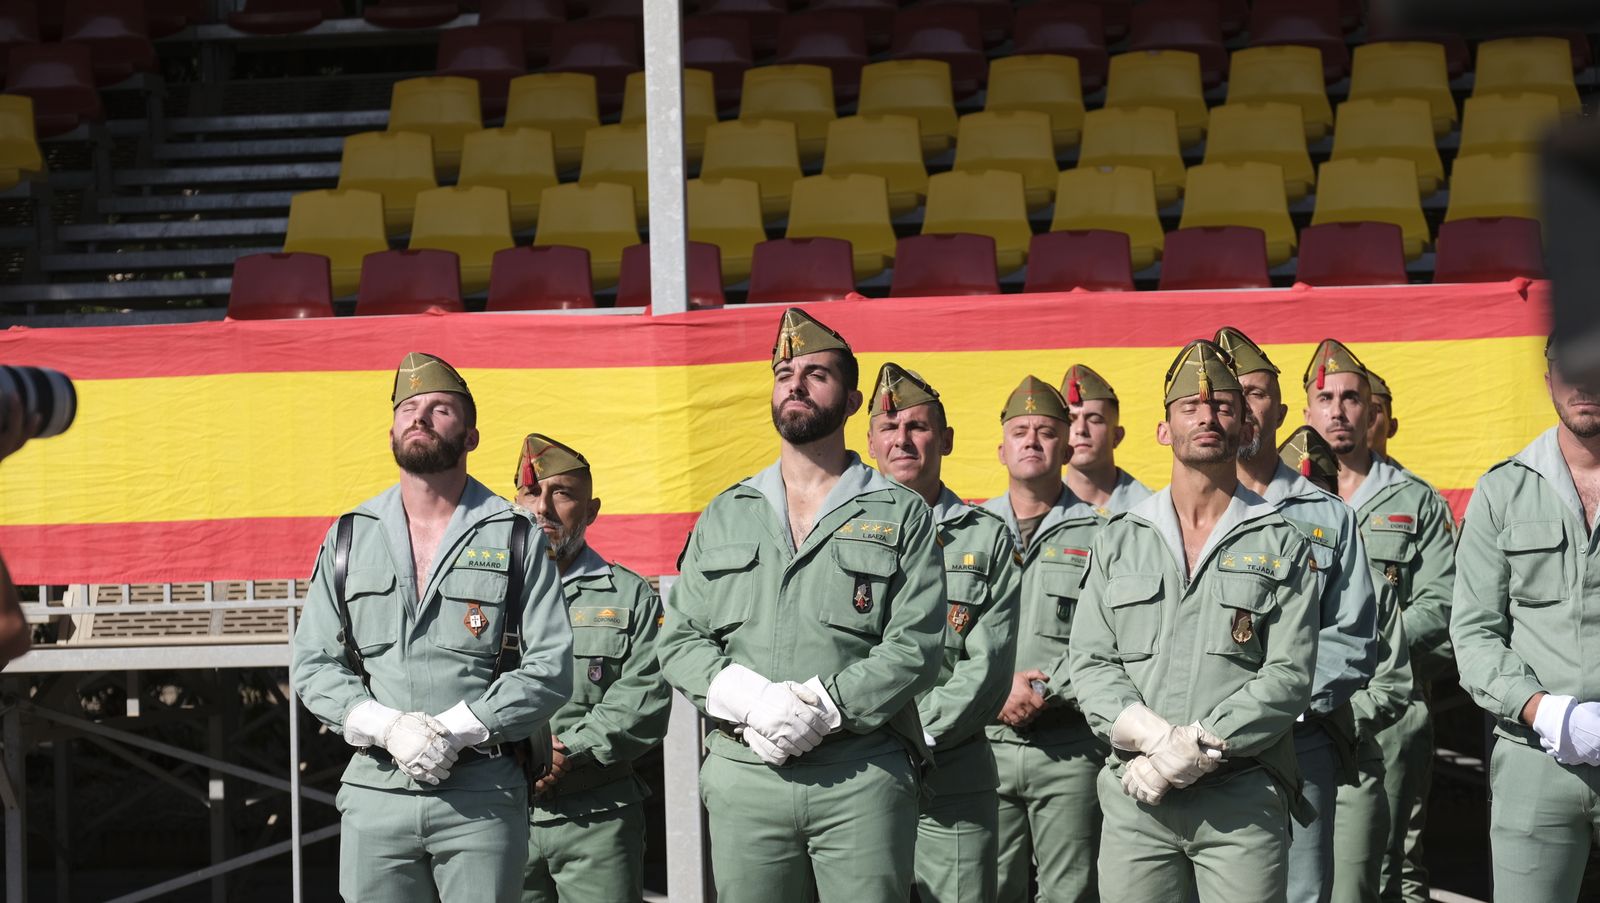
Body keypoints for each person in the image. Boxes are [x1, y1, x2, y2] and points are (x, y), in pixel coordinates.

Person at [656, 308, 946, 903]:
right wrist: (754, 701)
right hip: (745, 775)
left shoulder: (900, 512)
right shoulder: (726, 512)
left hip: (860, 775)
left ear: (851, 399)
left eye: (816, 373)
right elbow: (680, 640)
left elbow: (915, 646)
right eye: (784, 371)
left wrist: (824, 705)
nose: (795, 383)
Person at [291, 352, 574, 903]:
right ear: (392, 429)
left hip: (481, 795)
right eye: (409, 408)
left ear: (470, 435)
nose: (420, 417)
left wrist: (454, 730)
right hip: (377, 790)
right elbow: (313, 663)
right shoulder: (350, 535)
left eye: (440, 409)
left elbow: (549, 668)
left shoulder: (515, 534)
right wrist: (386, 726)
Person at [1069, 339, 1320, 903]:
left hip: (1242, 798)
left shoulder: (1281, 542)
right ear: (1164, 429)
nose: (1207, 417)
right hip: (1136, 796)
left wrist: (1201, 744)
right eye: (1190, 407)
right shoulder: (1120, 537)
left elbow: (1288, 676)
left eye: (1224, 407)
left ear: (1244, 426)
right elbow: (1089, 662)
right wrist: (1159, 745)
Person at [1214, 327, 1380, 903]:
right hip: (1196, 744)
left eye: (1256, 393)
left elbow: (1353, 637)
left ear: (1282, 409)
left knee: (1303, 893)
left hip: (1298, 738)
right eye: (1224, 394)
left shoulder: (1329, 517)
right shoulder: (1181, 515)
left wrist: (1271, 706)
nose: (1240, 407)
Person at [1302, 339, 1456, 903]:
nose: (1337, 410)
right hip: (1297, 707)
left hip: (1390, 708)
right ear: (1307, 413)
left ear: (1372, 412)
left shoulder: (1416, 502)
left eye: (1350, 398)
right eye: (1325, 398)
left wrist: (1362, 654)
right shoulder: (1278, 503)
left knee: (1394, 864)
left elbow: (1441, 608)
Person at [864, 362, 1021, 903]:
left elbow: (990, 661)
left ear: (946, 440)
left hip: (950, 769)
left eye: (918, 427)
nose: (902, 440)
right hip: (855, 769)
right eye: (889, 427)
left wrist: (919, 735)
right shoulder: (832, 533)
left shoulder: (986, 536)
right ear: (870, 442)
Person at [1452, 341, 1600, 901]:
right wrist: (1547, 712)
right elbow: (1474, 631)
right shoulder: (1501, 490)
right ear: (1548, 379)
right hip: (1534, 757)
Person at [982, 374, 1137, 903]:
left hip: (1070, 748)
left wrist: (1047, 690)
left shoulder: (1105, 535)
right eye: (1019, 431)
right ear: (1000, 448)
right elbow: (942, 636)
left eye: (1046, 431)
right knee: (988, 890)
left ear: (1067, 445)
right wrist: (996, 689)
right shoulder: (968, 535)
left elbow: (1112, 638)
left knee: (1071, 893)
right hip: (984, 744)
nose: (1031, 440)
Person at [512, 434, 671, 903]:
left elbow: (645, 696)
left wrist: (568, 752)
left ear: (591, 510)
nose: (542, 507)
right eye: (530, 492)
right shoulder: (478, 594)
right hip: (498, 811)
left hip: (598, 814)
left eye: (561, 493)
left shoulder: (630, 596)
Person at [1279, 428, 1415, 903]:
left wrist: (1327, 716)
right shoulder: (1254, 573)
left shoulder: (1373, 585)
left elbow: (1393, 684)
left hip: (1348, 761)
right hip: (1265, 761)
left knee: (1348, 893)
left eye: (1321, 495)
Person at [1061, 364, 1153, 516]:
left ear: (1117, 436)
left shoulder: (1150, 510)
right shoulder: (1042, 507)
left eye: (1095, 420)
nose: (1080, 429)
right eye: (1071, 420)